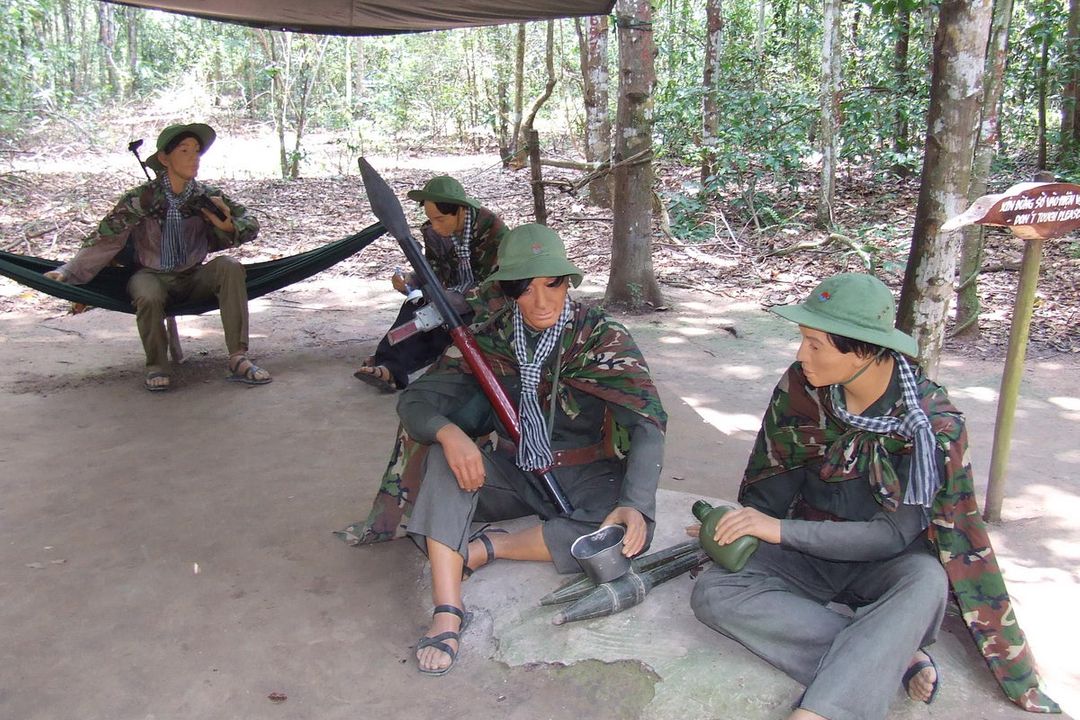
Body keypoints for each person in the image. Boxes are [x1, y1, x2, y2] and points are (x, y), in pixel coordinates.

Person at [688, 273, 1058, 719]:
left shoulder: (931, 426)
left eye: (815, 344)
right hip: (807, 550)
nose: (801, 355)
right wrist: (741, 524)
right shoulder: (803, 388)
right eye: (803, 340)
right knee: (715, 592)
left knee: (926, 583)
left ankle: (824, 710)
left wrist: (778, 529)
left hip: (885, 563)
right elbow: (775, 475)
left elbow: (891, 537)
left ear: (863, 348)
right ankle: (888, 652)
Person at [387, 224, 666, 675]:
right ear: (508, 290)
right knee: (444, 458)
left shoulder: (601, 337)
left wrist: (636, 503)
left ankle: (486, 550)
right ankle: (447, 610)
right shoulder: (490, 337)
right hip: (513, 471)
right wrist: (449, 433)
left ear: (568, 281)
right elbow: (417, 401)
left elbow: (647, 423)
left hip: (585, 474)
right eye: (525, 287)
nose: (541, 301)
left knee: (628, 535)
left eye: (552, 283)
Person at [43, 122, 267, 392]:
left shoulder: (207, 197)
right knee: (147, 294)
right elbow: (107, 239)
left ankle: (238, 357)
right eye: (184, 150)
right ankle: (157, 366)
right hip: (151, 276)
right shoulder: (141, 199)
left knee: (229, 267)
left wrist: (228, 226)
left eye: (197, 151)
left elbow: (250, 224)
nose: (193, 157)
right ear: (164, 158)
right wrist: (68, 272)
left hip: (194, 276)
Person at [354, 175, 506, 392]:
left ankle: (389, 364)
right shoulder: (435, 232)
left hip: (483, 309)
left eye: (440, 219)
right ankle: (388, 366)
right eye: (431, 219)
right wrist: (411, 280)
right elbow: (433, 271)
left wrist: (464, 300)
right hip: (447, 299)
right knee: (416, 308)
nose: (434, 226)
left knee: (440, 327)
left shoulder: (494, 232)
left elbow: (504, 285)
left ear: (461, 210)